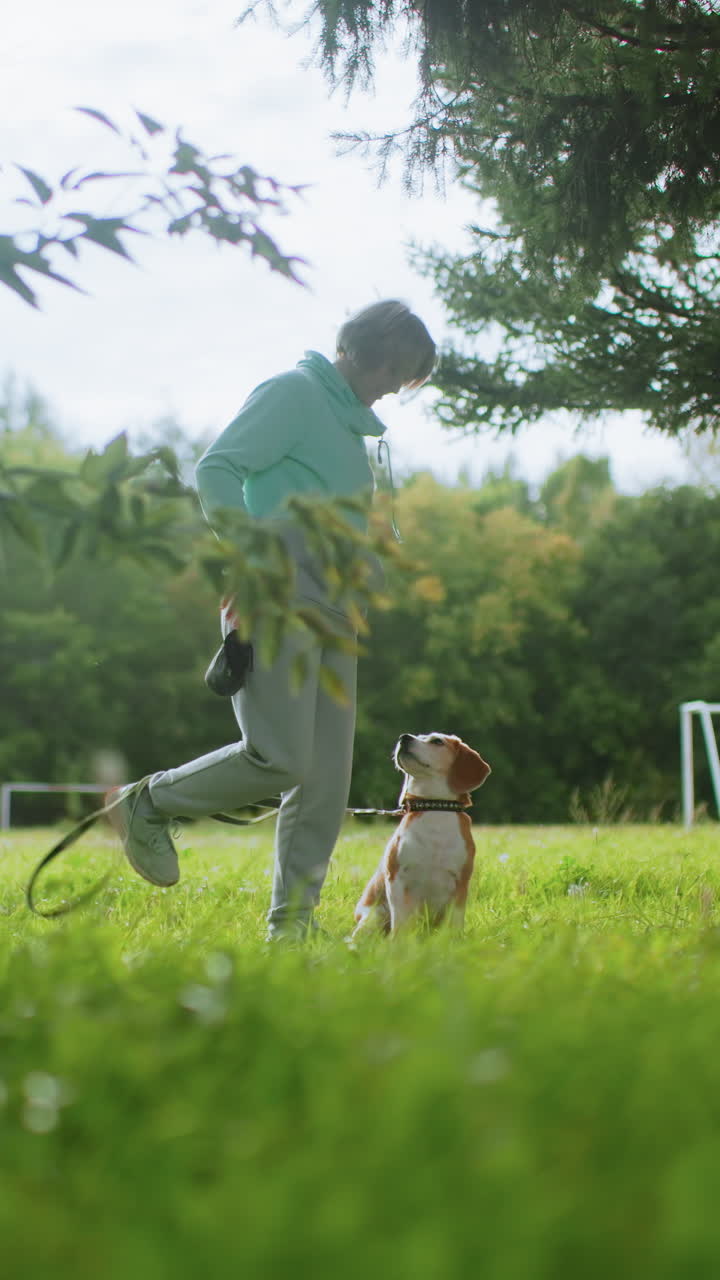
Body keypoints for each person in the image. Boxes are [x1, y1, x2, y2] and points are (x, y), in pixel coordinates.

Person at [108, 300, 436, 939]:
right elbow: (217, 467)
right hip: (278, 600)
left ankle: (291, 928)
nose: (397, 389)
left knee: (323, 783)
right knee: (280, 759)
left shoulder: (349, 428)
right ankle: (147, 803)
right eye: (397, 373)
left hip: (336, 615)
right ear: (369, 351)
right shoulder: (293, 393)